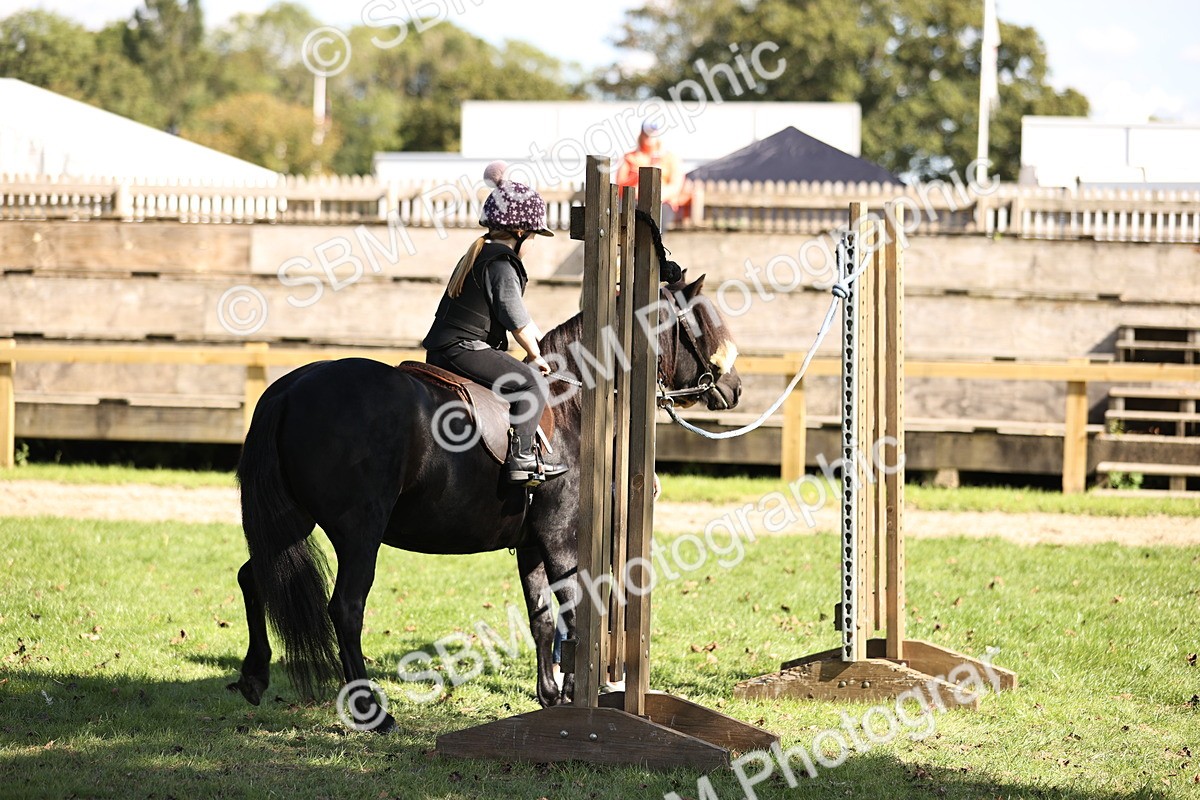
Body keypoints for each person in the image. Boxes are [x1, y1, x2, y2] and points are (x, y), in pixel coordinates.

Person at [422, 161, 568, 486]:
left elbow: (524, 323)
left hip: (443, 348)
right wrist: (536, 356)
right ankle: (522, 459)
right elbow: (517, 321)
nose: (532, 243)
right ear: (520, 232)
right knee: (532, 383)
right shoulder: (502, 263)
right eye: (533, 236)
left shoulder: (480, 252)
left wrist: (536, 346)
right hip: (463, 349)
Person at [615, 118, 688, 228]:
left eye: (653, 134)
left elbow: (675, 186)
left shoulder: (670, 158)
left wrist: (658, 196)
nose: (649, 138)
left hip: (662, 203)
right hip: (632, 202)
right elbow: (619, 185)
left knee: (656, 216)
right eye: (646, 134)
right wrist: (639, 175)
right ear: (641, 135)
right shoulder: (629, 157)